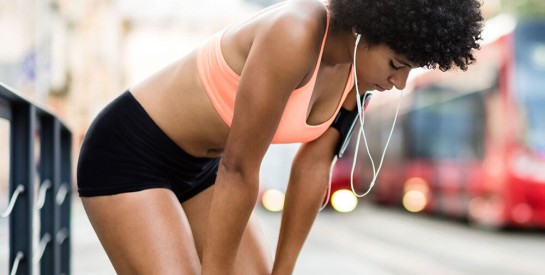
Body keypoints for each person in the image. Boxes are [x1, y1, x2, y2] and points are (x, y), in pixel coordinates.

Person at [76, 0, 483, 274]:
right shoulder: (295, 33)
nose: (399, 82)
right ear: (364, 27)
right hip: (130, 154)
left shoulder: (361, 75)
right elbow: (238, 168)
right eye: (397, 64)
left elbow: (312, 167)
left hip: (200, 170)